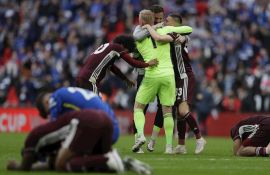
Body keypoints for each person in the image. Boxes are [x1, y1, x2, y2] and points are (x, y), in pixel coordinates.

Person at [7, 109, 152, 175]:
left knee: (61, 164)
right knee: (80, 161)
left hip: (86, 122)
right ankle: (120, 161)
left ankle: (107, 159)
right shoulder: (49, 142)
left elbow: (24, 167)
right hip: (103, 119)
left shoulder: (33, 138)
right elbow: (48, 163)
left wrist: (15, 166)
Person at [132, 10, 193, 154]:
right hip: (168, 75)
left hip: (151, 75)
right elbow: (188, 29)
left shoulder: (138, 38)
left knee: (138, 108)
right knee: (167, 112)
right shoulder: (166, 29)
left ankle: (140, 135)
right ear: (153, 20)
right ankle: (169, 147)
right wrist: (182, 37)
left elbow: (136, 38)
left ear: (140, 21)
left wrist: (148, 27)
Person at [132, 4, 165, 154]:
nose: (158, 20)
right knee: (140, 107)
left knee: (164, 106)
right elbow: (136, 37)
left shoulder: (162, 28)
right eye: (155, 18)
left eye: (160, 18)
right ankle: (138, 139)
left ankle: (152, 140)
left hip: (160, 72)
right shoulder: (140, 29)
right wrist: (156, 27)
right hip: (143, 73)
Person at [76, 34, 158, 94]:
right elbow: (133, 63)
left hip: (81, 77)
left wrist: (125, 79)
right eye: (127, 51)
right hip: (90, 80)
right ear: (123, 45)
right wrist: (148, 64)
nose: (126, 53)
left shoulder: (107, 47)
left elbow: (113, 68)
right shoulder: (117, 47)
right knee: (96, 106)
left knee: (84, 105)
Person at [35, 87, 119, 144]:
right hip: (114, 127)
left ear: (46, 102)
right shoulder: (66, 93)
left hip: (104, 129)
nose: (51, 113)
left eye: (48, 112)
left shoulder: (54, 98)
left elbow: (52, 126)